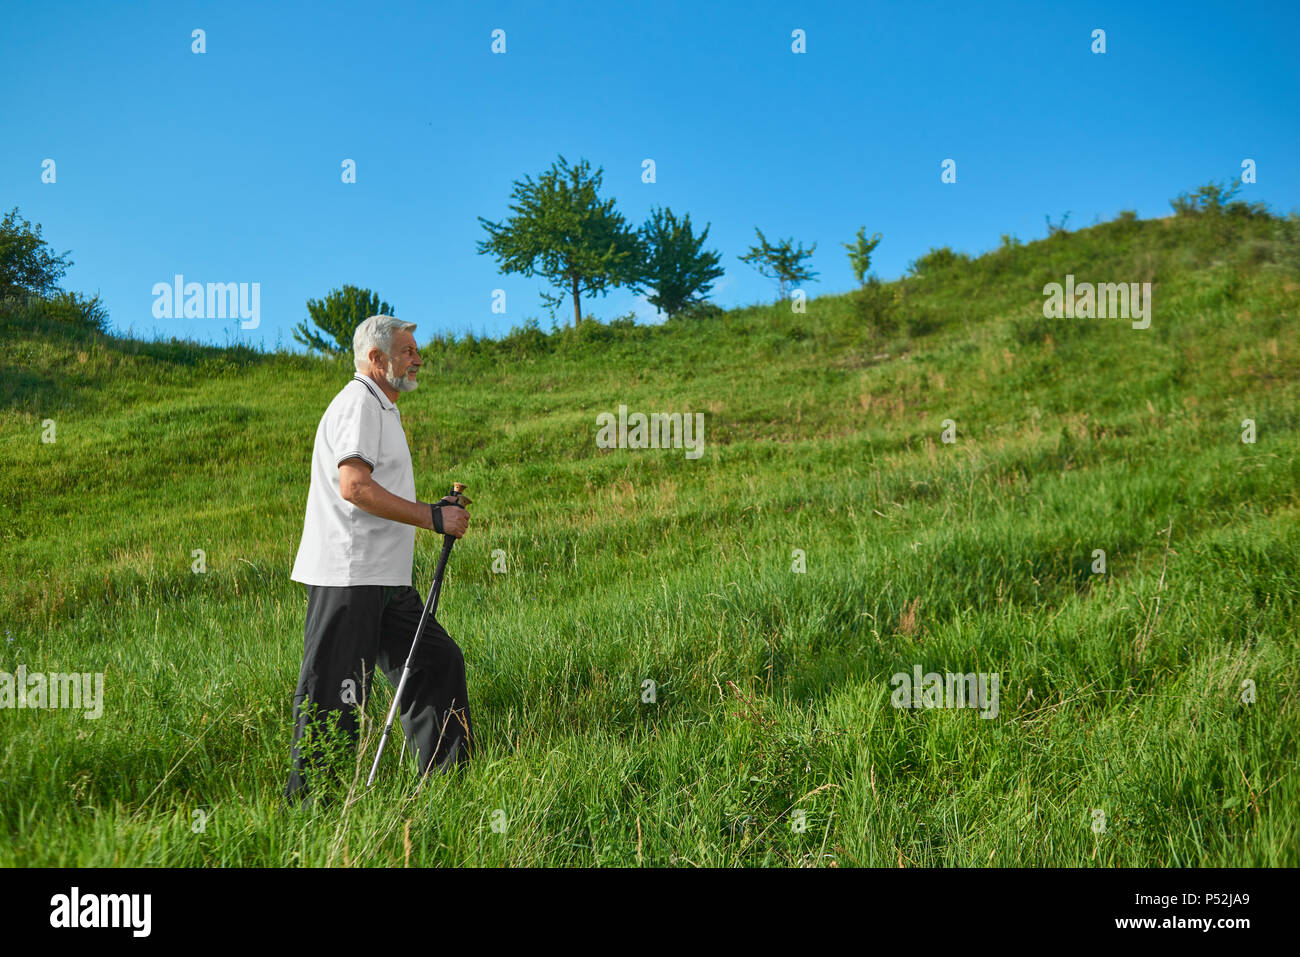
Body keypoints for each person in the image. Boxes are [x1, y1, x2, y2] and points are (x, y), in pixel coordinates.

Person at [284, 314, 472, 802]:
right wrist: (431, 518)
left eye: (415, 350)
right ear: (376, 358)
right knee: (334, 695)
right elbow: (355, 487)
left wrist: (434, 510)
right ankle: (313, 809)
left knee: (436, 660)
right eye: (408, 350)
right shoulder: (359, 403)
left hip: (385, 580)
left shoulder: (383, 408)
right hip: (349, 576)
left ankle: (448, 786)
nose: (418, 359)